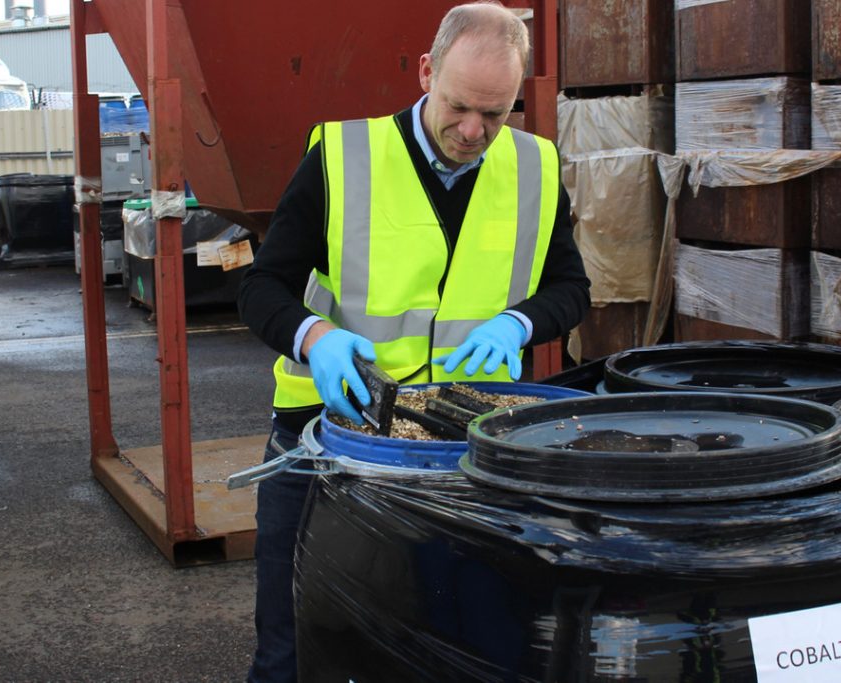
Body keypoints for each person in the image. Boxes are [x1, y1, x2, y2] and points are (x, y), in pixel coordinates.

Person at [237, 2, 590, 680]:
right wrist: (316, 338)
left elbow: (572, 289)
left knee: (453, 644)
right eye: (459, 106)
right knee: (295, 648)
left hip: (458, 444)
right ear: (428, 71)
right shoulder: (343, 158)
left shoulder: (536, 168)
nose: (472, 130)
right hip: (326, 436)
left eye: (495, 113)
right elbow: (262, 288)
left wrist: (518, 322)